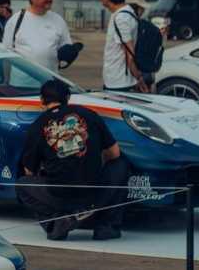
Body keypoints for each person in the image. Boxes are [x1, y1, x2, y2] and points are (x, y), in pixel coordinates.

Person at [19, 79, 126, 241]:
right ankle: (106, 227)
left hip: (59, 194)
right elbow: (115, 153)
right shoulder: (89, 114)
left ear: (41, 100)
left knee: (22, 185)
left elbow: (28, 171)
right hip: (94, 189)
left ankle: (57, 223)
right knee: (120, 164)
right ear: (68, 98)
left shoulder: (37, 126)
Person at [2, 0, 73, 72]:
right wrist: (6, 82)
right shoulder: (16, 20)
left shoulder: (58, 20)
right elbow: (6, 53)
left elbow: (66, 47)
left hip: (50, 81)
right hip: (21, 83)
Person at [96, 0, 147, 93]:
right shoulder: (126, 13)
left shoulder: (121, 18)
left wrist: (139, 79)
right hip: (118, 80)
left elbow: (129, 52)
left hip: (119, 82)